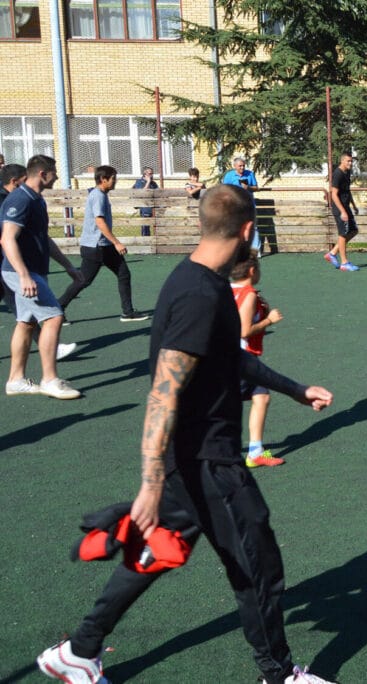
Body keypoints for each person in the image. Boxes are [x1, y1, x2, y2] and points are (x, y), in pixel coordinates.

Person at [35, 184, 336, 684]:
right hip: (203, 460)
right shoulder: (200, 294)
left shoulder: (202, 280)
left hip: (188, 458)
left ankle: (79, 651)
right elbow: (162, 392)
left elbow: (228, 356)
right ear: (246, 231)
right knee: (258, 564)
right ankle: (279, 675)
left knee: (155, 553)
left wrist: (294, 389)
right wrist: (150, 483)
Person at [1, 155, 83, 399]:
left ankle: (15, 381)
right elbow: (7, 239)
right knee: (54, 317)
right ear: (42, 174)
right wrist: (24, 276)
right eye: (53, 172)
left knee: (26, 323)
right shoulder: (20, 199)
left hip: (33, 270)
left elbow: (43, 239)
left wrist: (69, 266)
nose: (57, 176)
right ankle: (50, 379)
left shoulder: (37, 200)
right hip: (20, 272)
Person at [56, 165, 150, 323]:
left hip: (104, 246)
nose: (115, 181)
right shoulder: (98, 195)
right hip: (95, 247)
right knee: (83, 280)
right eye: (113, 178)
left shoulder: (101, 194)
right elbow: (99, 221)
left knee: (123, 274)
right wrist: (117, 242)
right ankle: (57, 309)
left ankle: (128, 312)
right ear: (103, 179)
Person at [231, 247, 285, 467]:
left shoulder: (228, 289)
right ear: (252, 270)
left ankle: (255, 451)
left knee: (261, 396)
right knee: (222, 408)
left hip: (231, 356)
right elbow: (244, 331)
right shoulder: (249, 295)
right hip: (241, 358)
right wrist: (269, 321)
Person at [324, 152, 361, 271]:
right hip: (339, 208)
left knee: (354, 231)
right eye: (348, 161)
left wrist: (353, 205)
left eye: (351, 161)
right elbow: (334, 195)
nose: (350, 163)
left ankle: (333, 253)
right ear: (342, 161)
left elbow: (347, 191)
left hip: (346, 207)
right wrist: (342, 211)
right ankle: (344, 263)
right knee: (343, 234)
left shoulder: (347, 172)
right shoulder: (337, 174)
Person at [133, 166, 158, 237]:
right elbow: (142, 193)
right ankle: (145, 241)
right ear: (145, 174)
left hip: (154, 208)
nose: (152, 175)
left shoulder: (153, 183)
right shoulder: (139, 182)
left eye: (152, 173)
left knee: (157, 226)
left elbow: (159, 192)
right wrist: (148, 182)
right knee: (145, 227)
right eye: (150, 174)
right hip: (145, 208)